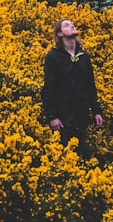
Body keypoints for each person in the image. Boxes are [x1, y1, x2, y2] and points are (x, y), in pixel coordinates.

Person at [42, 18, 103, 155]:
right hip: (63, 116)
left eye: (72, 24)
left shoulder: (84, 57)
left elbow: (90, 86)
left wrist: (96, 111)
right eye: (67, 25)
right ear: (60, 34)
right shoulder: (53, 57)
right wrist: (52, 116)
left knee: (80, 152)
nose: (72, 26)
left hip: (81, 114)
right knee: (63, 154)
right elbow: (49, 88)